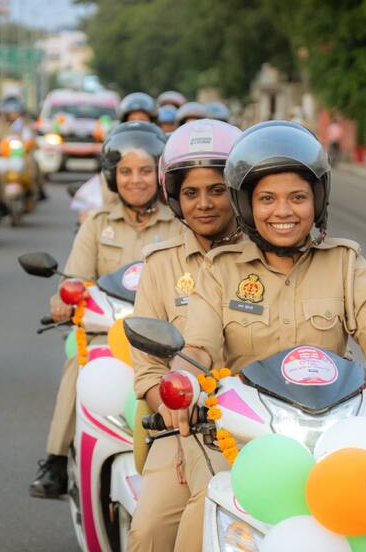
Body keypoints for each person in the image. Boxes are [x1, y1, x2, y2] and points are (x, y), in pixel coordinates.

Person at [168, 121, 366, 552]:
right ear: (247, 206)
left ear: (318, 201)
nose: (283, 212)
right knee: (200, 517)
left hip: (336, 439)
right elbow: (198, 346)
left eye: (298, 197)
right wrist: (179, 382)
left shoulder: (347, 264)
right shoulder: (220, 271)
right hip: (243, 441)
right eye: (267, 199)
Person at [29, 121, 183, 498]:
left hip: (163, 338)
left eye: (146, 171)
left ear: (160, 175)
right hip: (104, 334)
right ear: (112, 177)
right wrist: (62, 301)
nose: (136, 180)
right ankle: (54, 460)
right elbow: (76, 278)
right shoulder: (97, 225)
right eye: (126, 172)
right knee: (77, 370)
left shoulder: (181, 225)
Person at [126, 119, 244, 551]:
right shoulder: (161, 264)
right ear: (174, 197)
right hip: (185, 429)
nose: (204, 204)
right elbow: (147, 372)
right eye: (191, 193)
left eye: (216, 190)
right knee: (149, 532)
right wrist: (176, 410)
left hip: (263, 430)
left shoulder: (264, 256)